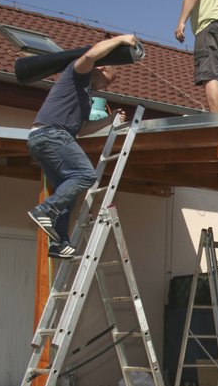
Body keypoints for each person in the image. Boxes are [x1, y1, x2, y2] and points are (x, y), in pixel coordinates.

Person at [26, 34, 136, 258]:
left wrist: (110, 119)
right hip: (52, 134)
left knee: (67, 193)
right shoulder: (78, 73)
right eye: (108, 81)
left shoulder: (85, 96)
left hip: (44, 138)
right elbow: (91, 54)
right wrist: (121, 39)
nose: (106, 87)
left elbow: (82, 129)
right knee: (86, 175)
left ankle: (59, 243)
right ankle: (45, 210)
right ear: (103, 68)